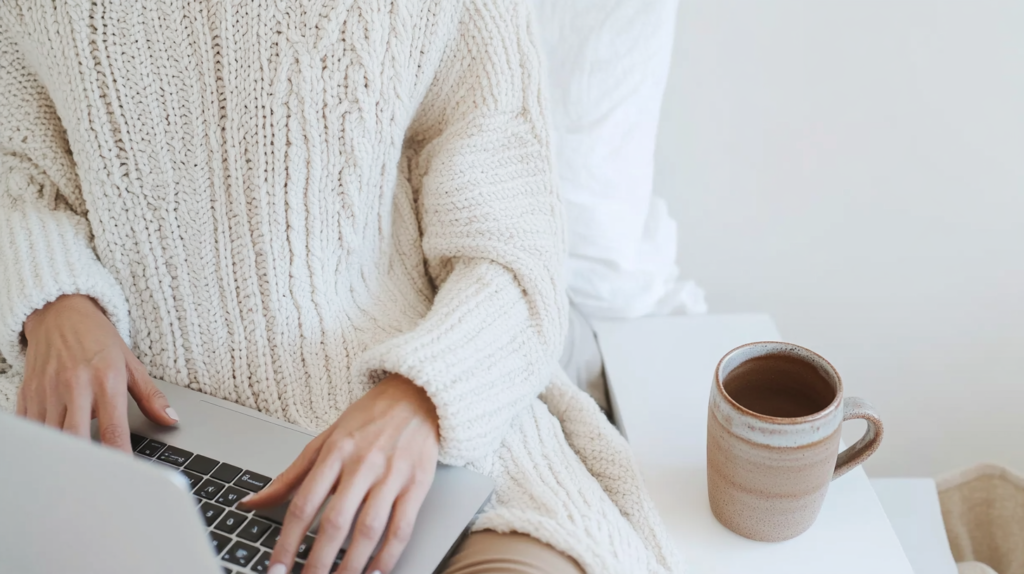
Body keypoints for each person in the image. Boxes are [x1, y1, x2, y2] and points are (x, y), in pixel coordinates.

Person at [0, 1, 680, 573]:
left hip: (409, 406)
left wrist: (425, 400)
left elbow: (512, 247)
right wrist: (56, 301)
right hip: (113, 409)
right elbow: (15, 162)